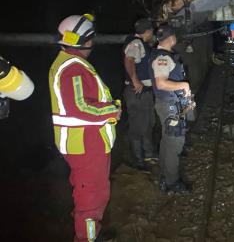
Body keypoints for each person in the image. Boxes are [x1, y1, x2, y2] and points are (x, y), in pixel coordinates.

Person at [48, 14, 120, 241]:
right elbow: (80, 107)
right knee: (91, 198)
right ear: (86, 41)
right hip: (86, 144)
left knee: (89, 191)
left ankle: (93, 232)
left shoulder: (68, 61)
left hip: (85, 143)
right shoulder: (73, 67)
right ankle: (89, 237)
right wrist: (112, 110)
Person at [149, 24, 193, 193]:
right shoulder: (163, 57)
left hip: (168, 104)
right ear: (172, 38)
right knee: (174, 142)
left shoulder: (160, 55)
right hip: (170, 106)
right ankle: (172, 183)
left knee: (167, 140)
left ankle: (165, 176)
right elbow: (161, 83)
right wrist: (184, 85)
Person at [123, 18, 156, 170]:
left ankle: (148, 154)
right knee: (137, 126)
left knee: (147, 123)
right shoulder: (136, 43)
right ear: (148, 31)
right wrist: (135, 80)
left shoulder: (141, 44)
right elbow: (129, 60)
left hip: (145, 92)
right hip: (137, 92)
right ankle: (138, 160)